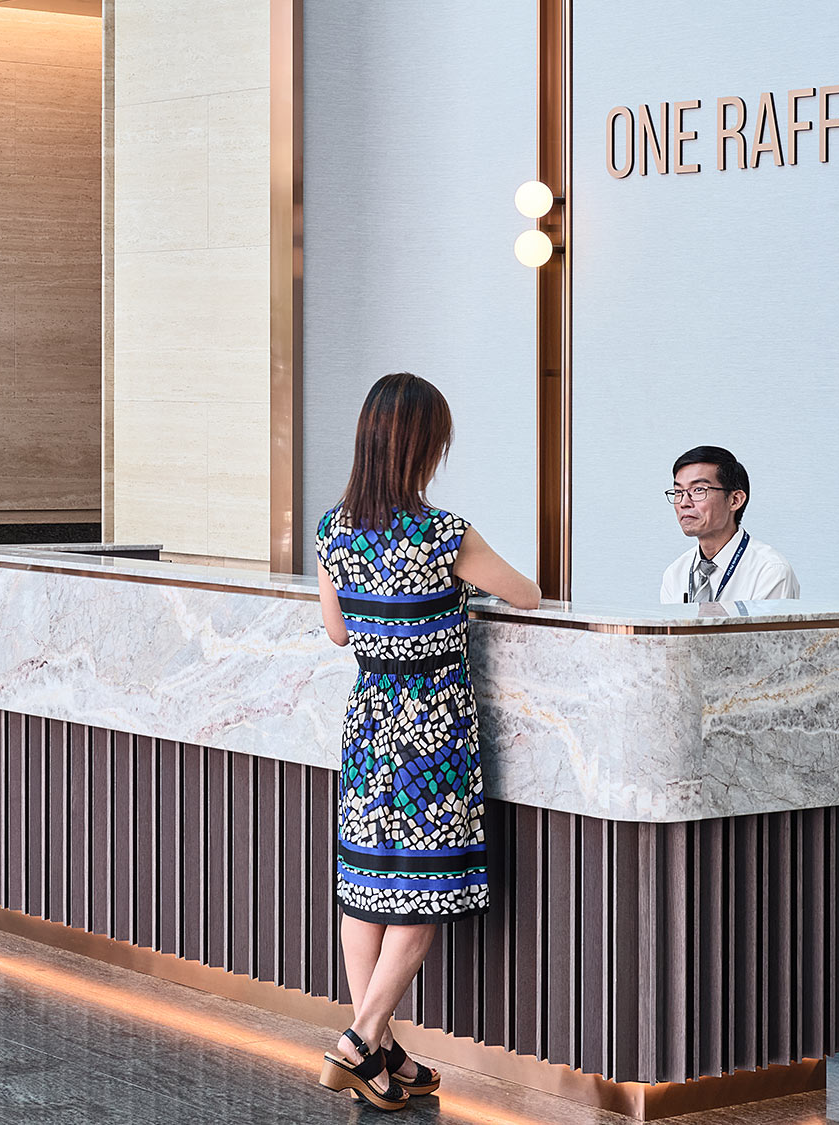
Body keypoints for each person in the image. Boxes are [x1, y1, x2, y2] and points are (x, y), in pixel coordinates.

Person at [314, 372, 539, 1111]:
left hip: (369, 717)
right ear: (424, 444)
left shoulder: (332, 530)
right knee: (424, 890)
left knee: (370, 884)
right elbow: (527, 593)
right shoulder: (445, 532)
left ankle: (376, 1051)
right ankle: (356, 1040)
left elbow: (339, 629)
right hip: (432, 726)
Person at [660, 444, 800, 602]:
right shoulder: (676, 574)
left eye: (698, 489)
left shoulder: (770, 572)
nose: (684, 502)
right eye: (678, 492)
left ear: (735, 500)